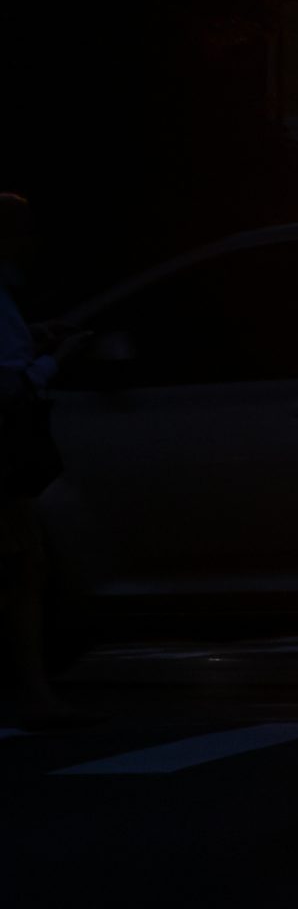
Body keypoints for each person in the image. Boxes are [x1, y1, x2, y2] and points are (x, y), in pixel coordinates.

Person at [1, 194, 92, 731]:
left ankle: (33, 690)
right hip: (4, 457)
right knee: (21, 571)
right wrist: (55, 361)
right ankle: (35, 695)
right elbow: (9, 389)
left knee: (21, 568)